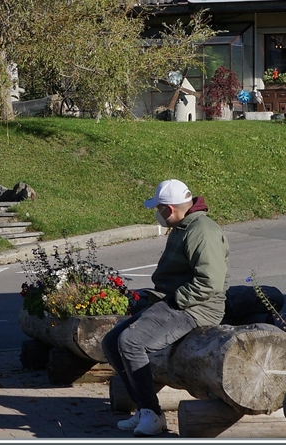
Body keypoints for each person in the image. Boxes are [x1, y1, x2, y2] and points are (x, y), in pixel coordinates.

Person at [102, 179, 229, 436]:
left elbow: (210, 282)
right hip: (176, 300)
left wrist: (174, 300)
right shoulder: (185, 226)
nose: (157, 214)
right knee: (111, 341)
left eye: (158, 209)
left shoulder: (201, 231)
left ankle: (152, 413)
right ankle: (143, 409)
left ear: (169, 209)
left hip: (196, 307)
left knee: (131, 342)